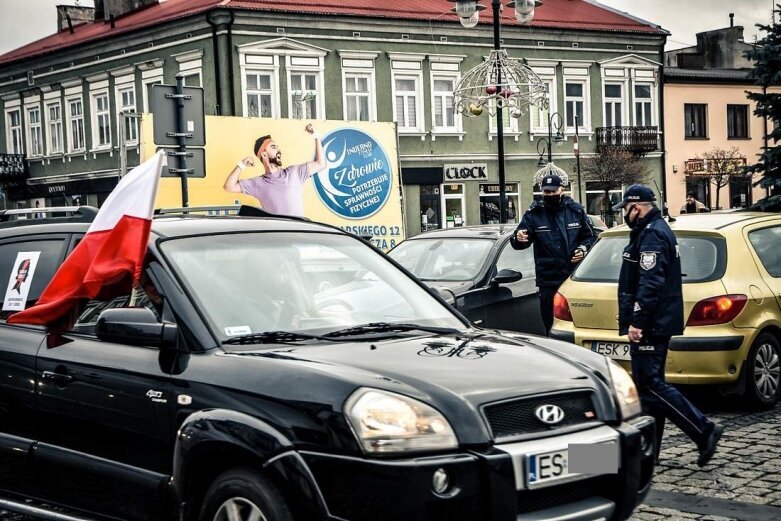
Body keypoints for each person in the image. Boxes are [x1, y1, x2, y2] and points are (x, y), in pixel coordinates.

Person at [613, 184, 723, 467]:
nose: (624, 215)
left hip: (652, 322)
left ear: (635, 207)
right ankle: (649, 452)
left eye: (625, 209)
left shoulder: (651, 236)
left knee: (651, 385)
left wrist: (637, 321)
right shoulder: (652, 231)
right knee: (649, 391)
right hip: (657, 320)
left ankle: (703, 429)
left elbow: (651, 282)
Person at [510, 174, 597, 335]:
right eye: (546, 192)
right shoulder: (534, 213)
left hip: (574, 277)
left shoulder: (575, 210)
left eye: (553, 191)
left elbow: (591, 237)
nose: (549, 195)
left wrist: (584, 249)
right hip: (548, 279)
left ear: (561, 190)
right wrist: (518, 237)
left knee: (577, 325)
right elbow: (519, 241)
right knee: (551, 326)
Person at [223, 123, 326, 217]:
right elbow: (229, 186)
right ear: (264, 154)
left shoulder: (294, 172)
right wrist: (242, 164)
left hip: (299, 232)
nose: (279, 150)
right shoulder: (257, 183)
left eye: (277, 147)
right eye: (273, 147)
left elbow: (320, 163)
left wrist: (316, 135)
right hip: (277, 235)